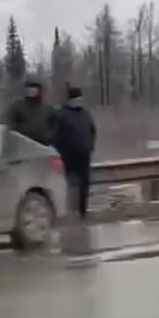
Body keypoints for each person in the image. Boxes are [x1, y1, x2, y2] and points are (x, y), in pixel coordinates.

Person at [53, 87, 96, 220]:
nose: (79, 102)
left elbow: (93, 130)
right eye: (77, 99)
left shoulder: (85, 114)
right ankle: (67, 211)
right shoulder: (61, 114)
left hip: (84, 153)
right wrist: (60, 150)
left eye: (81, 99)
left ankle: (83, 210)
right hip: (67, 155)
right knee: (67, 183)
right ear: (70, 100)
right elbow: (56, 134)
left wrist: (90, 145)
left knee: (84, 183)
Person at [7, 78, 57, 147]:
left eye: (35, 88)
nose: (32, 90)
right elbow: (11, 127)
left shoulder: (48, 109)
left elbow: (54, 128)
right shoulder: (18, 106)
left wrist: (48, 137)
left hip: (43, 146)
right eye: (30, 88)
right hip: (22, 145)